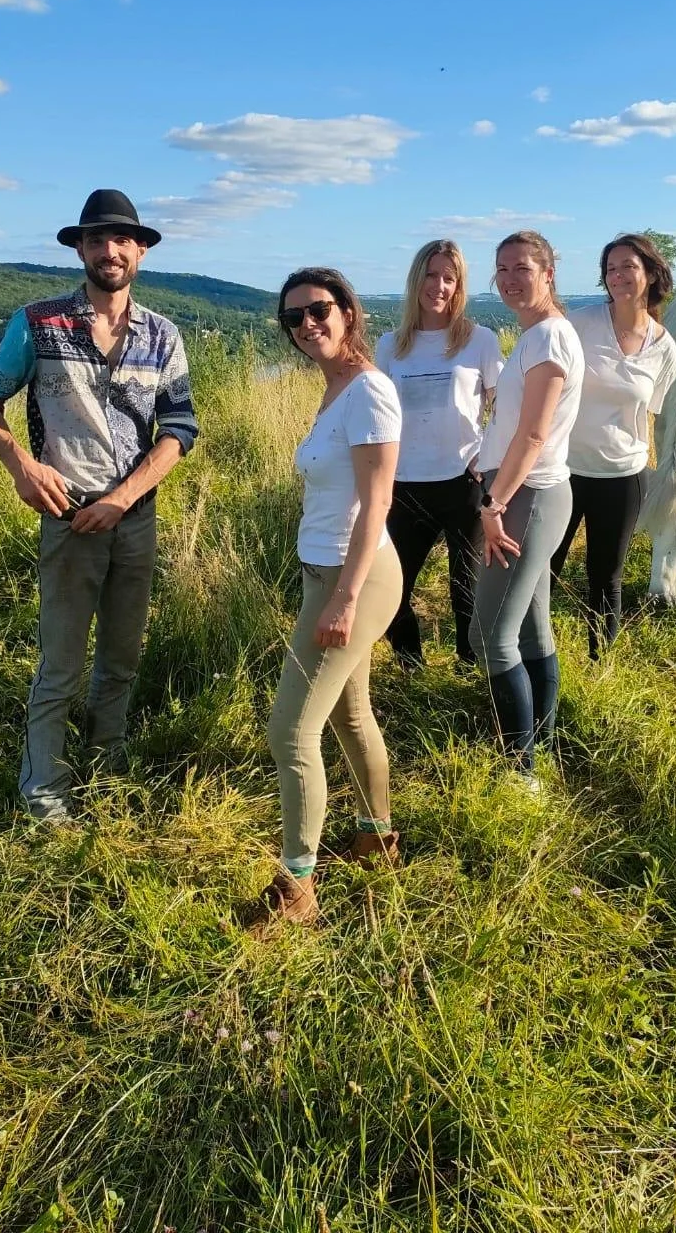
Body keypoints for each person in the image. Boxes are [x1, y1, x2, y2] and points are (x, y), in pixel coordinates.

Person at [0, 189, 198, 825]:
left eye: (122, 239)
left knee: (121, 657)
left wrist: (124, 500)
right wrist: (23, 466)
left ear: (140, 250)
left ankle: (107, 766)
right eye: (97, 240)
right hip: (68, 514)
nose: (110, 250)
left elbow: (179, 429)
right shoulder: (39, 323)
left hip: (134, 517)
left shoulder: (163, 336)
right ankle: (44, 794)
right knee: (60, 663)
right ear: (81, 250)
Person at [257, 267, 404, 929]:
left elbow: (378, 501)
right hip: (331, 574)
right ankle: (377, 840)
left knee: (290, 729)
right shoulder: (336, 390)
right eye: (294, 318)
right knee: (349, 715)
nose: (307, 325)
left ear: (348, 311)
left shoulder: (369, 391)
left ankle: (297, 889)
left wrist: (343, 597)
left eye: (319, 310)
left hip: (357, 578)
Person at [469, 231, 584, 782]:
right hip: (530, 493)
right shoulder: (541, 335)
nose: (510, 279)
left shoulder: (547, 340)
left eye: (522, 268)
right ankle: (543, 741)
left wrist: (493, 503)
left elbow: (534, 435)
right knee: (533, 629)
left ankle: (521, 772)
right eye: (501, 270)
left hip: (526, 497)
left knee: (489, 637)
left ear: (549, 274)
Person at [375, 240, 502, 668]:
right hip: (405, 482)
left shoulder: (479, 340)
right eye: (432, 275)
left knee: (465, 590)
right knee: (394, 589)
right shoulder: (390, 346)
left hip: (463, 482)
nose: (440, 285)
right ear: (417, 280)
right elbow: (378, 417)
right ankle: (411, 666)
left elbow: (504, 406)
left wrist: (485, 458)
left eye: (450, 277)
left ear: (460, 285)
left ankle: (470, 670)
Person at [551, 233, 676, 657]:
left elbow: (648, 413)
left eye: (628, 266)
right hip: (563, 470)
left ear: (651, 274)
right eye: (610, 268)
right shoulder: (580, 324)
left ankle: (599, 664)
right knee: (543, 568)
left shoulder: (664, 348)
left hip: (623, 476)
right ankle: (531, 654)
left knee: (606, 577)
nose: (618, 275)